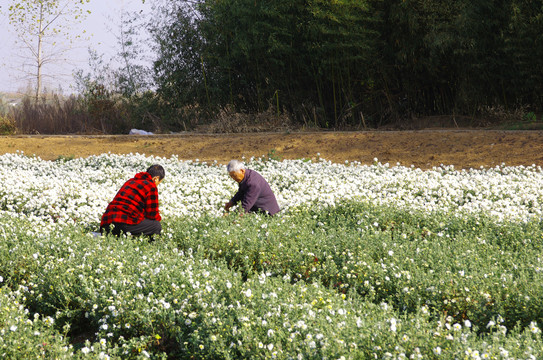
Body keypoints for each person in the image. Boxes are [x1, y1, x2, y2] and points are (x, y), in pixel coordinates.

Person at [100, 164, 165, 240]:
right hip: (124, 223)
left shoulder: (131, 181)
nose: (157, 185)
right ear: (156, 179)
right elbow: (152, 215)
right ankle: (151, 249)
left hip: (106, 224)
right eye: (159, 182)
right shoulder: (151, 186)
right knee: (156, 226)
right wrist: (157, 214)